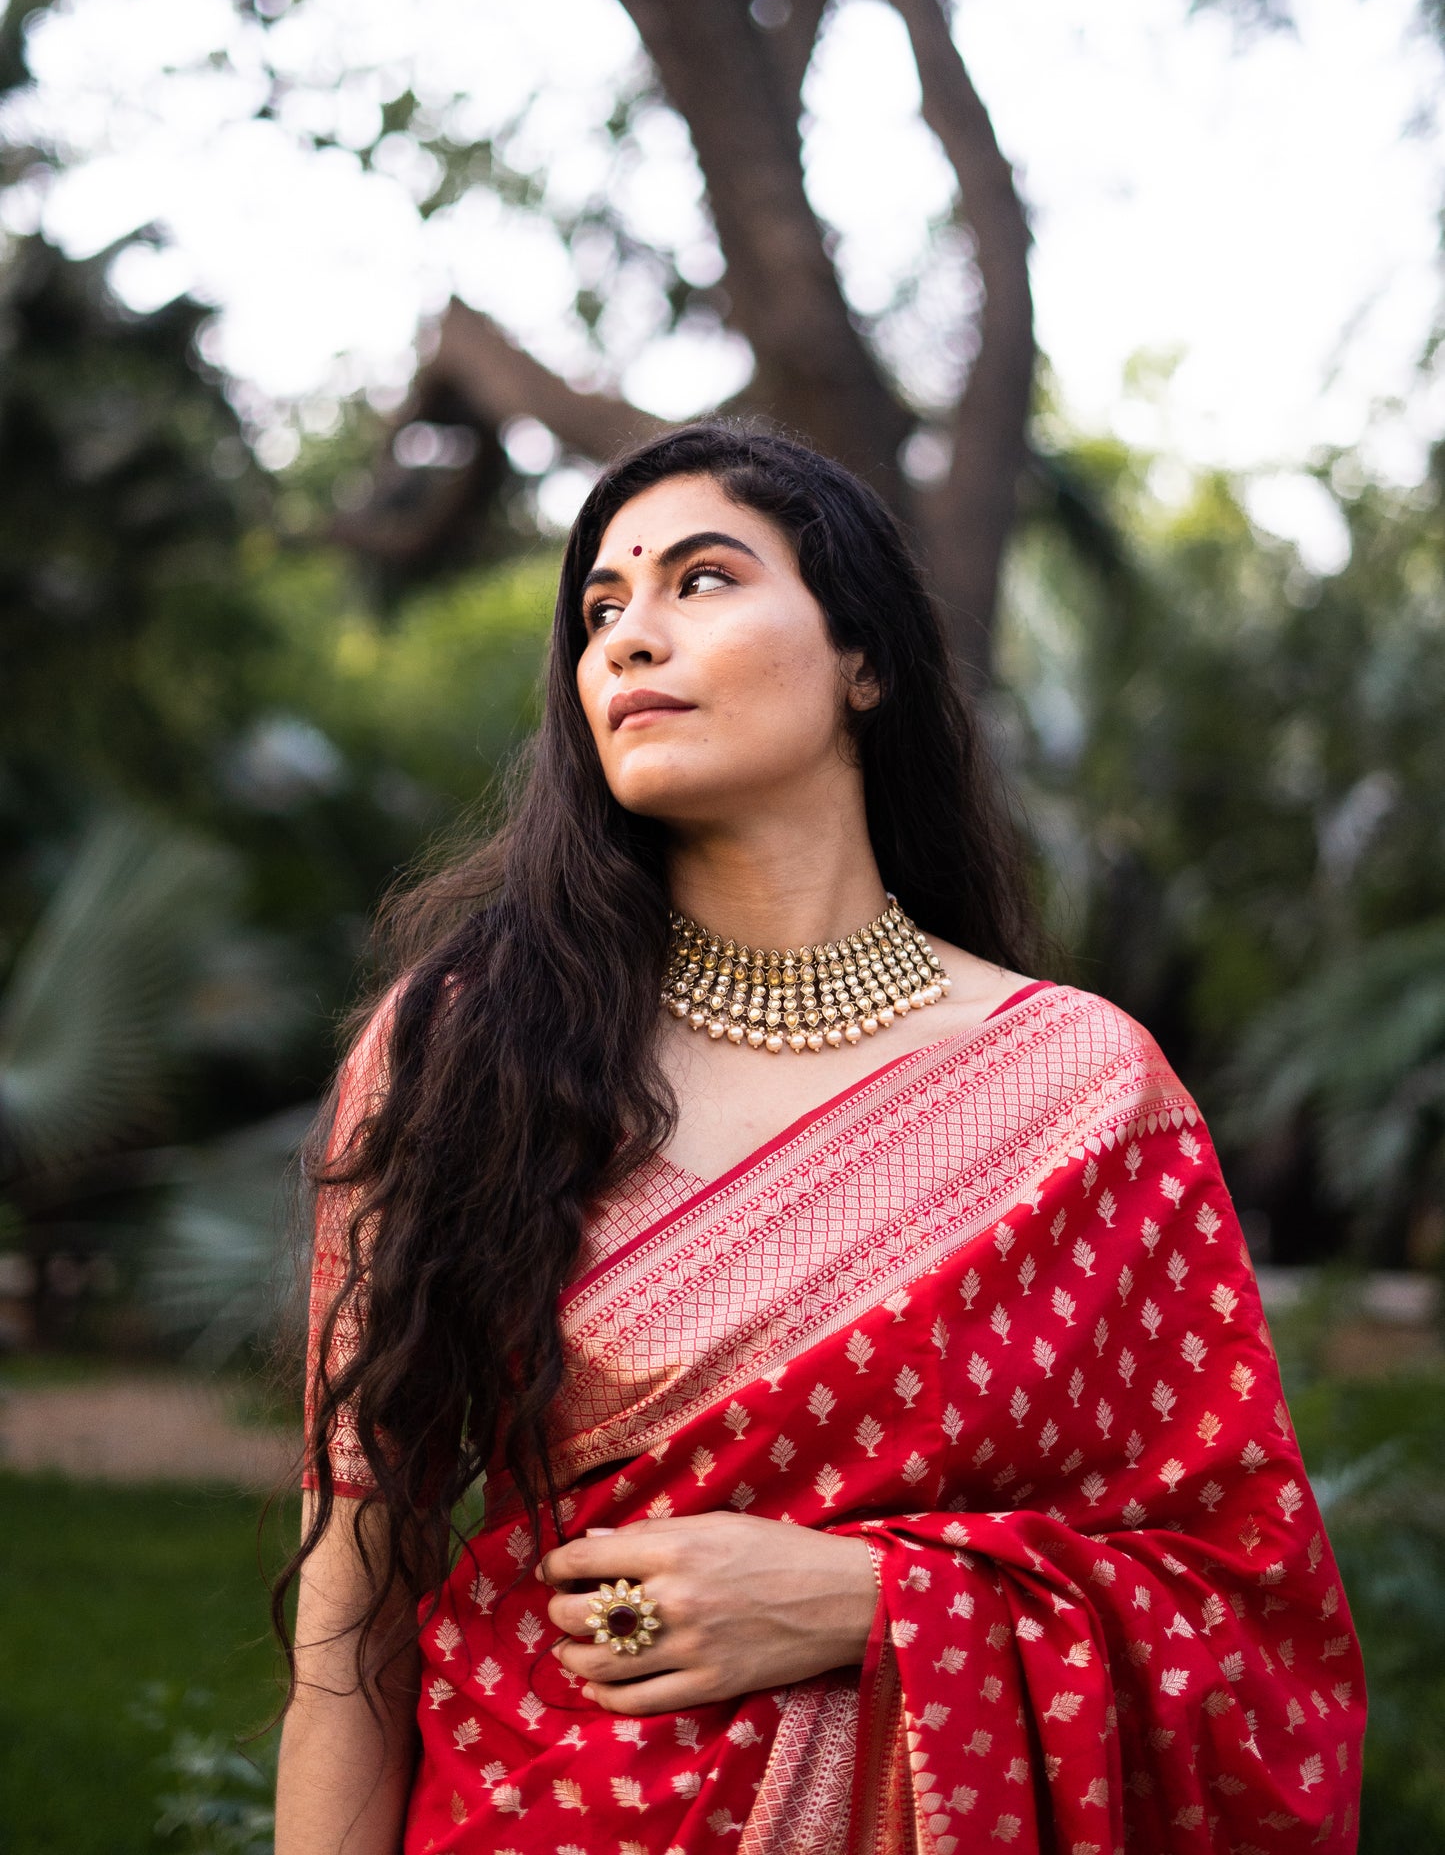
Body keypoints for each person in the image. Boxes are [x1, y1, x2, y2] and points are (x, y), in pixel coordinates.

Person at [275, 423, 1364, 1854]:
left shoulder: (1081, 1093)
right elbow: (351, 1623)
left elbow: (1245, 1612)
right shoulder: (466, 1052)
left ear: (866, 660)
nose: (627, 639)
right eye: (601, 608)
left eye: (701, 580)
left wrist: (867, 1601)